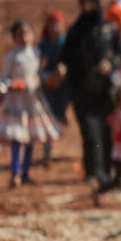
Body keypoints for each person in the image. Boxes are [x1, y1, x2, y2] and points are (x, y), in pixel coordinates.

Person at [60, 0, 121, 191]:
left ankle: (105, 171)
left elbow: (120, 56)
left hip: (106, 92)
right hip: (82, 91)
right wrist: (62, 67)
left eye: (90, 2)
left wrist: (109, 64)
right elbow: (66, 57)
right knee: (91, 133)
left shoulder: (110, 29)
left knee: (106, 132)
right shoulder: (75, 31)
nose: (87, 7)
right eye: (83, 3)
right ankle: (94, 172)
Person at [0, 19, 61, 187]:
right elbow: (4, 79)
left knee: (31, 136)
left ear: (32, 35)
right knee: (17, 137)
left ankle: (25, 173)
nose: (24, 38)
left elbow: (38, 75)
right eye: (20, 34)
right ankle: (15, 172)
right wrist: (10, 85)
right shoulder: (12, 56)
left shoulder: (36, 53)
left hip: (32, 101)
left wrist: (49, 77)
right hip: (16, 102)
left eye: (26, 33)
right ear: (14, 37)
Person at [38, 11, 69, 167]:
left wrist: (64, 71)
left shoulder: (66, 42)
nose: (55, 28)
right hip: (49, 84)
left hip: (65, 85)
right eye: (52, 24)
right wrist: (47, 77)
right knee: (48, 115)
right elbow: (37, 64)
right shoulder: (44, 44)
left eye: (58, 24)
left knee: (59, 114)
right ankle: (48, 150)